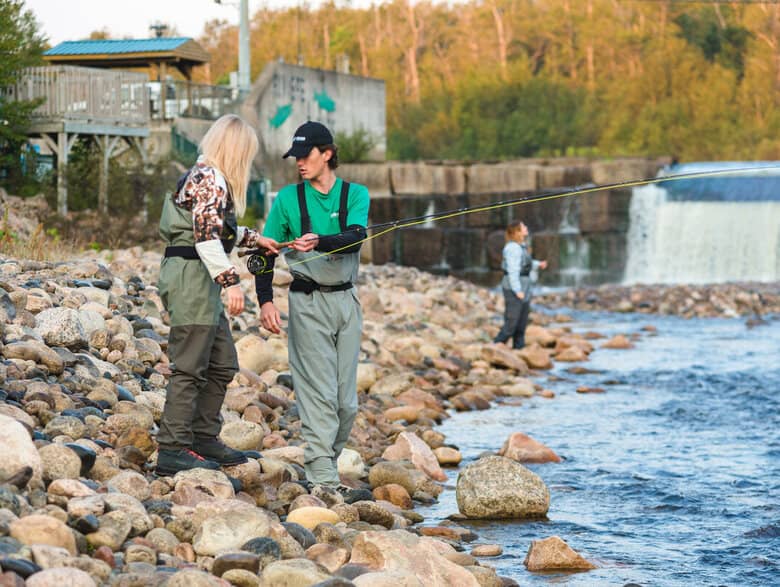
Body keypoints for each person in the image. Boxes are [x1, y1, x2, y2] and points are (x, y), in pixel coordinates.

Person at [156, 114, 279, 476]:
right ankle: (173, 448)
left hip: (199, 277)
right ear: (236, 150)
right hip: (191, 278)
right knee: (190, 366)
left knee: (223, 362)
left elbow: (216, 227)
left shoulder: (209, 178)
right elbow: (207, 239)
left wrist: (255, 239)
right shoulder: (210, 178)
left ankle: (202, 437)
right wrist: (232, 282)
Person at [256, 121, 370, 490]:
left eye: (306, 156)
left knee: (346, 403)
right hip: (307, 303)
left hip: (346, 301)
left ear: (328, 154)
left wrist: (318, 241)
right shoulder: (288, 199)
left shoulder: (356, 194)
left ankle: (325, 461)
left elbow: (354, 238)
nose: (299, 163)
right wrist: (265, 301)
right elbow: (264, 251)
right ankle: (323, 478)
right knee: (319, 393)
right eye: (296, 158)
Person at [494, 221, 547, 349]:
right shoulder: (512, 248)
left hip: (525, 287)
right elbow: (513, 270)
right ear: (517, 232)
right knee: (511, 324)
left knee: (521, 324)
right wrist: (517, 290)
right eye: (523, 227)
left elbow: (524, 263)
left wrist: (538, 264)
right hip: (515, 288)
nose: (526, 227)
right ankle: (494, 347)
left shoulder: (520, 246)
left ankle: (519, 350)